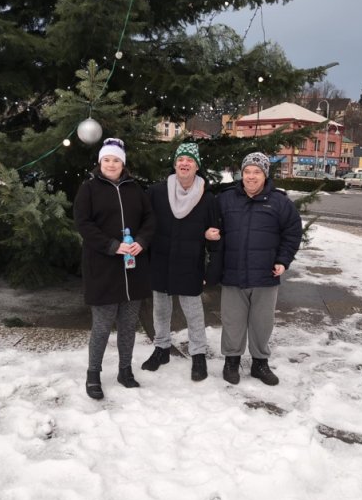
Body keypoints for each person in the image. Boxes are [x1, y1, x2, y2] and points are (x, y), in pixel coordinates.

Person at [73, 138, 155, 400]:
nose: (111, 164)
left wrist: (141, 241)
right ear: (100, 162)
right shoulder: (88, 189)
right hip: (103, 269)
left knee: (129, 326)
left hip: (133, 270)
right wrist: (111, 245)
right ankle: (93, 374)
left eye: (116, 160)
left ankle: (124, 370)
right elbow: (83, 224)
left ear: (123, 164)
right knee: (102, 327)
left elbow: (150, 219)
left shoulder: (135, 189)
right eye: (107, 159)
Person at [215, 152, 302, 386]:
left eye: (257, 172)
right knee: (232, 321)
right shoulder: (226, 199)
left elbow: (293, 233)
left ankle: (260, 363)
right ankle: (231, 361)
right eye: (247, 171)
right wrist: (210, 234)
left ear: (265, 175)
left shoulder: (280, 202)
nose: (251, 176)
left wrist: (283, 260)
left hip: (265, 275)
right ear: (241, 174)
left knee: (262, 323)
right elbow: (212, 224)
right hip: (232, 273)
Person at [141, 142, 221, 381]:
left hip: (190, 262)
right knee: (160, 309)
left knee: (193, 312)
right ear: (175, 164)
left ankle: (198, 354)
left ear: (197, 166)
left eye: (190, 160)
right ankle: (161, 348)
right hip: (160, 260)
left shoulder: (207, 198)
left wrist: (211, 260)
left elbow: (216, 234)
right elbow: (145, 225)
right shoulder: (156, 192)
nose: (184, 163)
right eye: (180, 159)